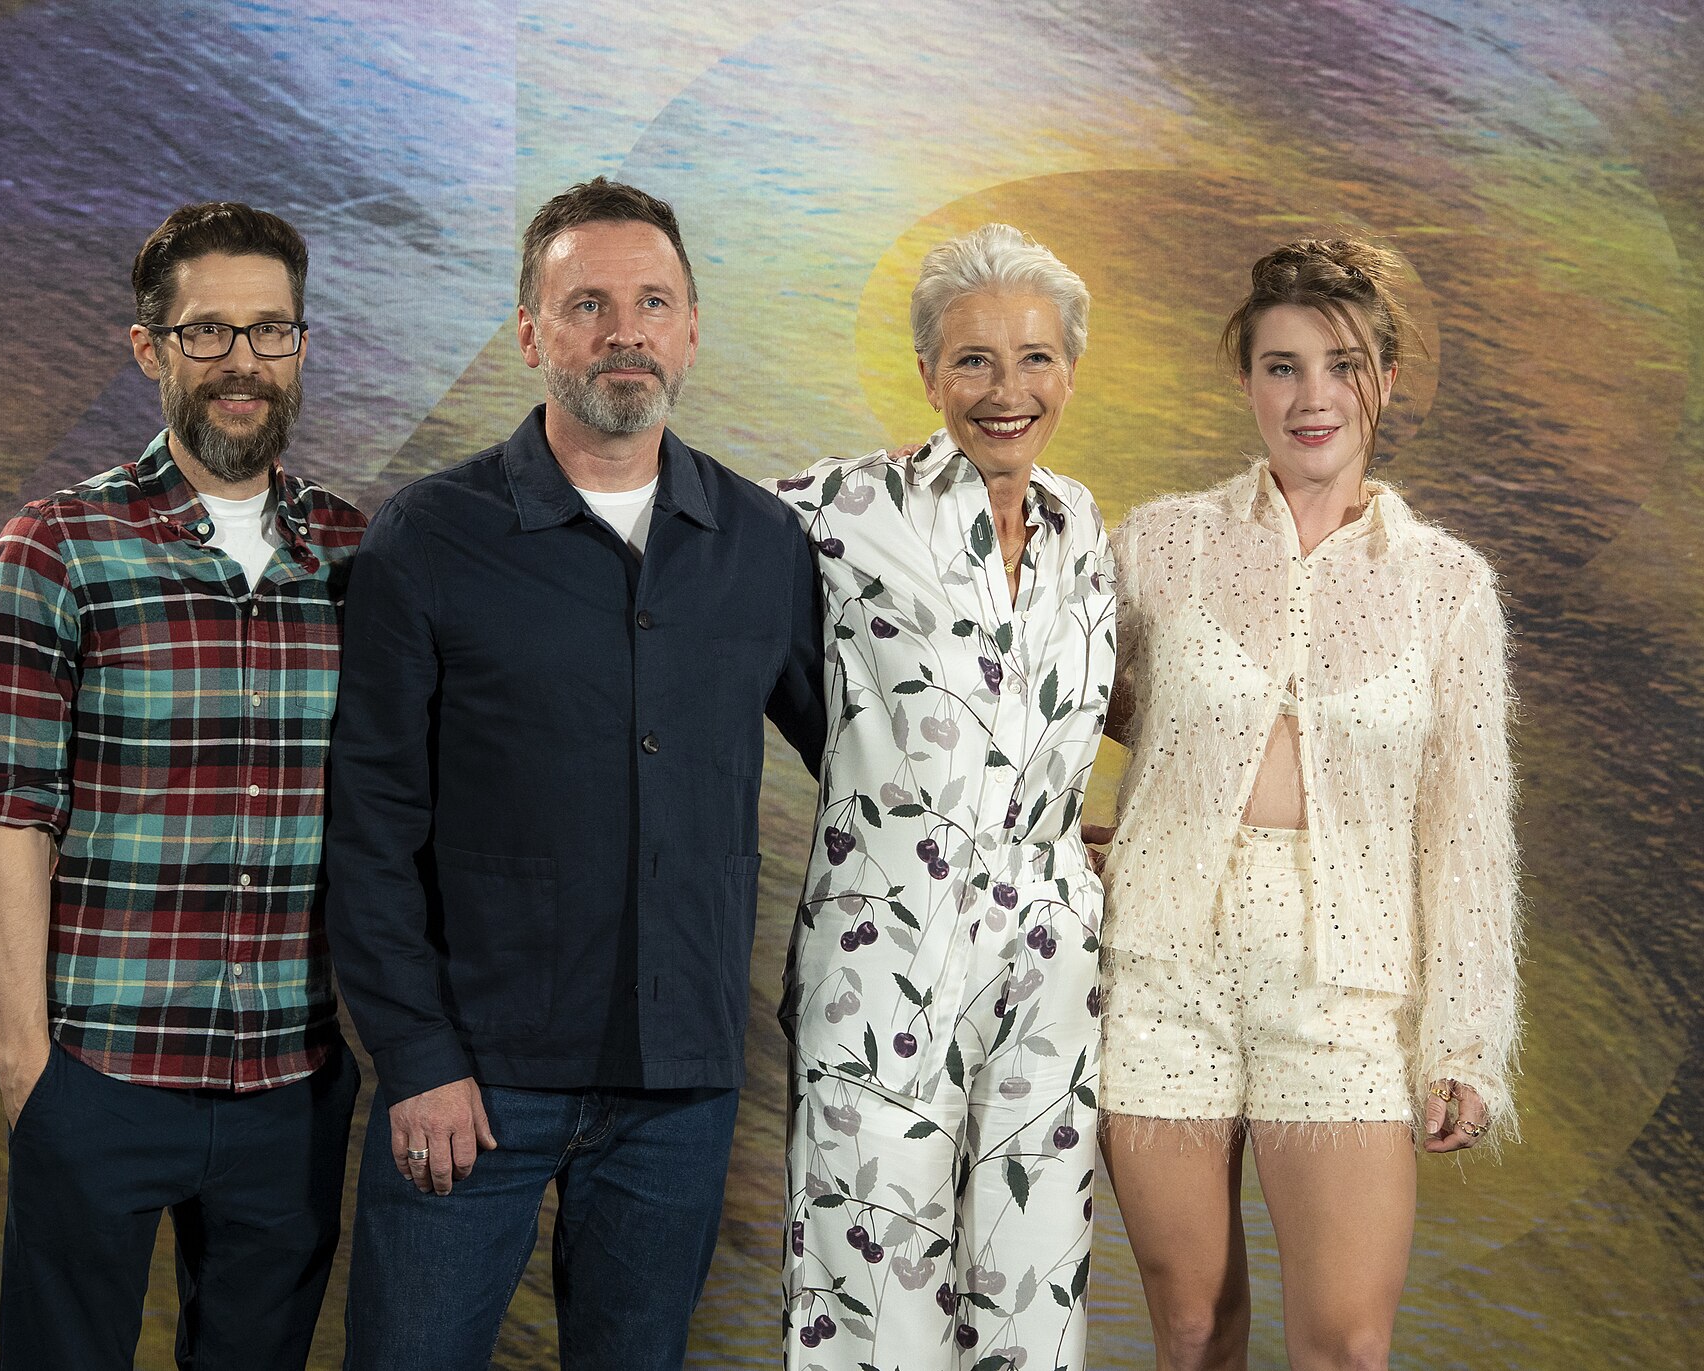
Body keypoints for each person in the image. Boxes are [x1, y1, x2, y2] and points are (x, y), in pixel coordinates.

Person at [323, 176, 827, 1371]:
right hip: (473, 1085)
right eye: (587, 303)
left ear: (692, 328)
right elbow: (371, 824)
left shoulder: (763, 547)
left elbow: (873, 756)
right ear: (532, 333)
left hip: (681, 1085)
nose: (625, 330)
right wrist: (418, 1057)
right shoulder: (429, 539)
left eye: (654, 301)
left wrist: (1041, 818)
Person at [1094, 238, 1521, 1371]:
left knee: (1342, 1345)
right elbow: (1043, 700)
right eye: (1281, 367)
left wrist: (1463, 1037)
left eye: (1339, 364)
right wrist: (1058, 850)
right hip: (1161, 969)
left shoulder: (1448, 586)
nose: (1311, 396)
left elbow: (1468, 825)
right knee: (1192, 1330)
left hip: (1347, 984)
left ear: (1383, 379)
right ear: (1246, 382)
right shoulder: (1160, 544)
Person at [0, 202, 365, 1369]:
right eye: (208, 332)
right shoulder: (60, 546)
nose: (242, 361)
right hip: (100, 1073)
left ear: (299, 346)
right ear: (151, 348)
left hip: (291, 1085)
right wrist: (27, 1069)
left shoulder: (356, 553)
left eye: (271, 331)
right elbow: (12, 821)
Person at [770, 223, 1113, 1371]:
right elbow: (673, 557)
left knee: (1032, 1293)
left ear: (1070, 369)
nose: (1006, 391)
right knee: (871, 1302)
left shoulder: (1086, 531)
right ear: (927, 375)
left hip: (1050, 977)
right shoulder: (841, 508)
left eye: (1034, 358)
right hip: (886, 968)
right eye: (974, 360)